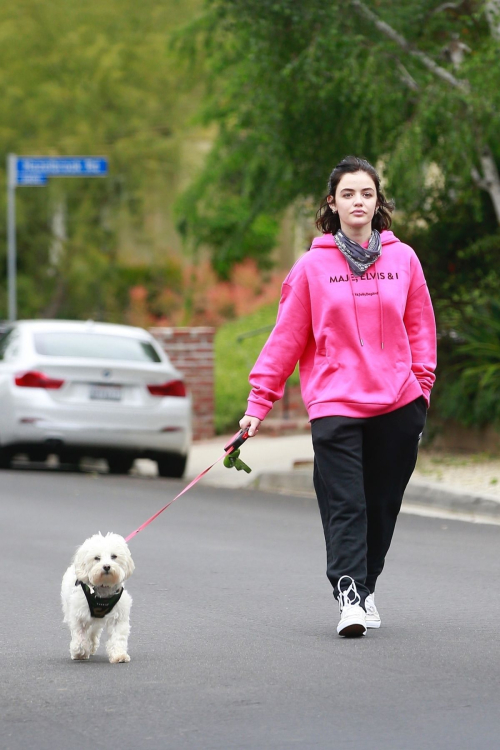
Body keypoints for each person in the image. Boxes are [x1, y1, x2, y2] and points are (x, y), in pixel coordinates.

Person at [239, 155, 436, 638]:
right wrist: (257, 404)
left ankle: (366, 585)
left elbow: (421, 328)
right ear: (332, 203)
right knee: (346, 503)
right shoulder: (312, 266)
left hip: (397, 403)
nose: (358, 202)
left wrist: (421, 390)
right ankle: (349, 593)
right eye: (348, 193)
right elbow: (285, 338)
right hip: (335, 405)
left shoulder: (403, 259)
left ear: (377, 202)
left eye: (366, 193)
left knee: (383, 502)